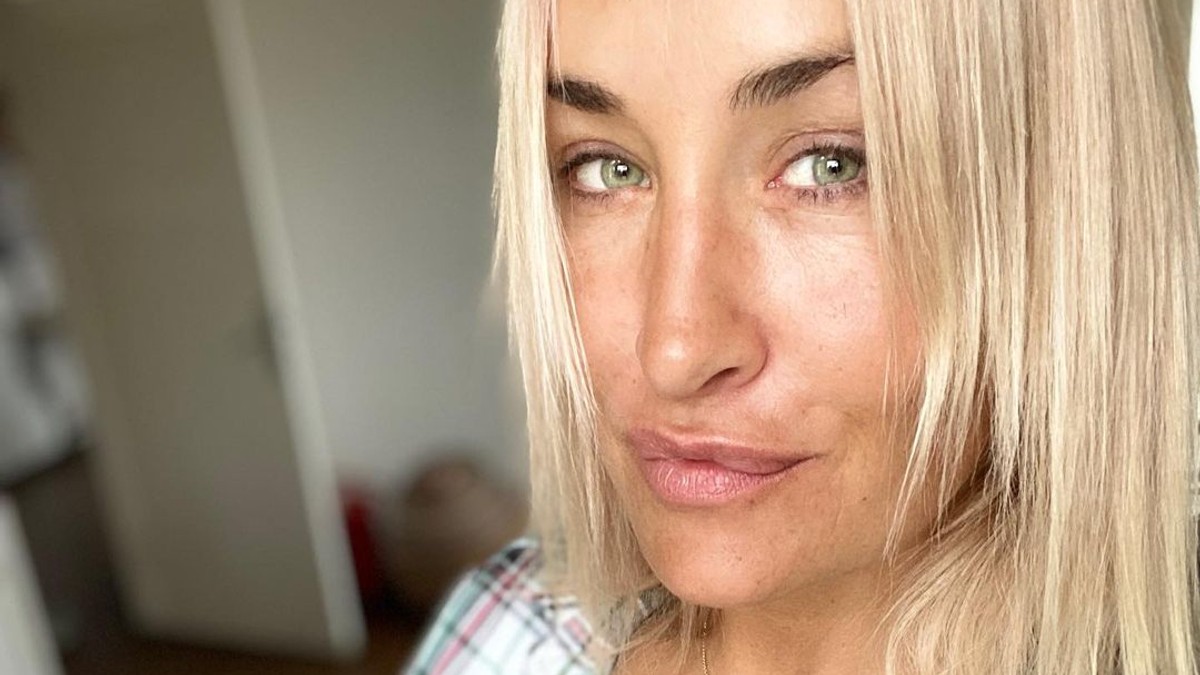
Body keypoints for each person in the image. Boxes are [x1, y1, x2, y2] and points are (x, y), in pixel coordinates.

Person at [406, 0, 1199, 673]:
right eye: (606, 168)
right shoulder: (512, 634)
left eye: (831, 165)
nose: (674, 351)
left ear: (1068, 215)